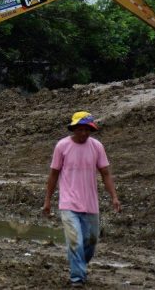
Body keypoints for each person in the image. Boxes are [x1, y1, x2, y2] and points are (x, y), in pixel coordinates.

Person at [43, 111, 121, 288]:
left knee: (91, 242)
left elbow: (105, 174)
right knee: (75, 241)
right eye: (80, 129)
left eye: (87, 129)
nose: (84, 133)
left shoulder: (97, 147)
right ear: (74, 129)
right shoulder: (62, 146)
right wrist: (47, 200)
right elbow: (54, 174)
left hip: (91, 204)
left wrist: (114, 197)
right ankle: (77, 278)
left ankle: (78, 265)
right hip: (68, 203)